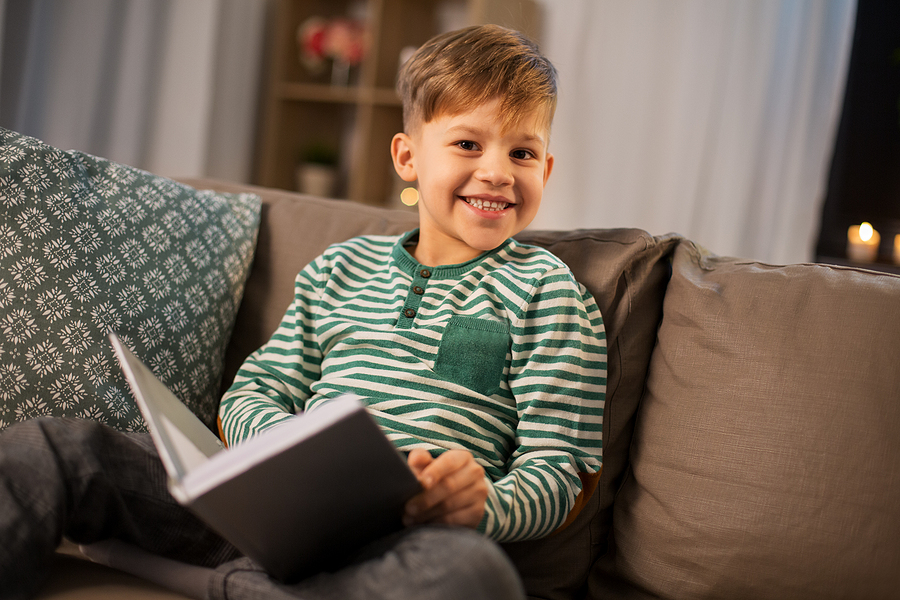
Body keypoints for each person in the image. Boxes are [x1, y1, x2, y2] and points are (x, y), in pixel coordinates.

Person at [0, 24, 606, 600]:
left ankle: (233, 586)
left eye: (523, 153)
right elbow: (253, 392)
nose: (498, 171)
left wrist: (483, 507)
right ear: (408, 158)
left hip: (399, 544)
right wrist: (281, 446)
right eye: (468, 143)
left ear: (546, 169)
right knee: (60, 448)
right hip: (264, 513)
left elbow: (564, 472)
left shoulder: (548, 293)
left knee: (471, 576)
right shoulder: (339, 269)